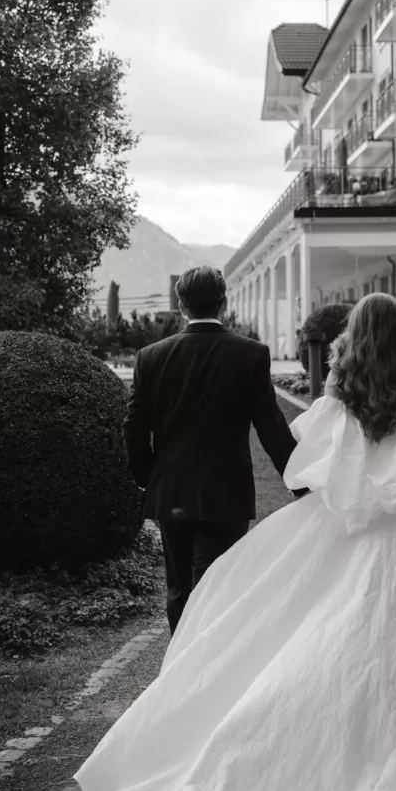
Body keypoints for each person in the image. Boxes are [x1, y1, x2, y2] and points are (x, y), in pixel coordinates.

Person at [74, 292, 396, 791]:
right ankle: (382, 721)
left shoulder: (340, 388)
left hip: (344, 527)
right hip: (395, 535)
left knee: (329, 622)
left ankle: (318, 718)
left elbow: (311, 461)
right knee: (390, 627)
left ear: (353, 334)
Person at [122, 264, 304, 634]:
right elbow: (271, 427)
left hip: (171, 491)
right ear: (224, 302)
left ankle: (179, 673)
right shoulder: (250, 354)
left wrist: (147, 479)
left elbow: (134, 427)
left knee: (179, 589)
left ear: (181, 304)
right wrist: (300, 483)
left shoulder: (151, 357)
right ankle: (206, 675)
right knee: (218, 588)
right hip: (226, 493)